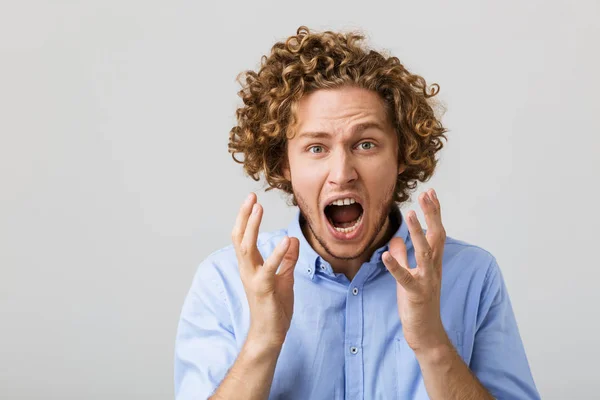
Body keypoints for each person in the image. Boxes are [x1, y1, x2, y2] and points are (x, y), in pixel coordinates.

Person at [174, 26, 540, 400]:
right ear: (283, 164)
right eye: (316, 148)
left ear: (401, 154)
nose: (342, 173)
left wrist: (432, 344)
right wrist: (262, 343)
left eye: (366, 144)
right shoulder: (224, 283)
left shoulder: (472, 276)